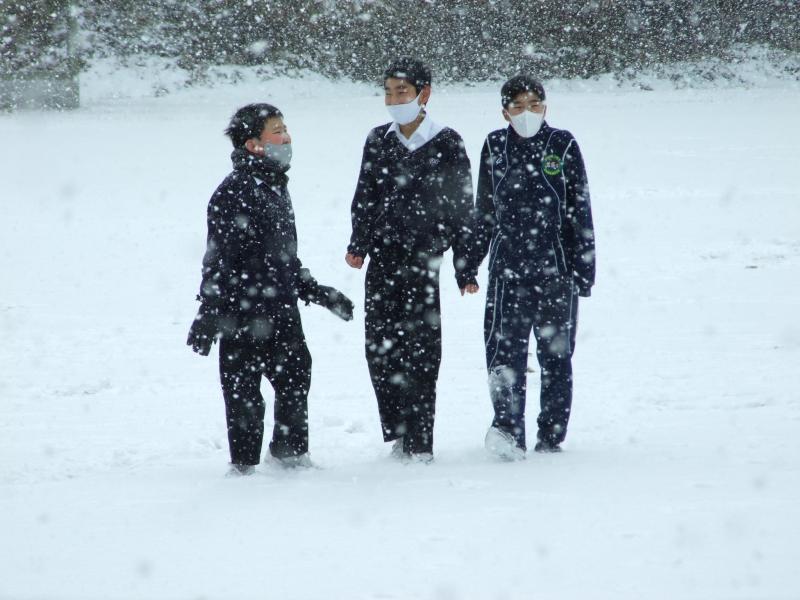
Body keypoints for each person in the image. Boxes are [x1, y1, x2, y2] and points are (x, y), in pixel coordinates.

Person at [187, 103, 354, 475]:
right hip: (242, 312)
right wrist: (210, 310)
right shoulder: (233, 193)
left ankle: (289, 456)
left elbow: (283, 258)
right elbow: (218, 259)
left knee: (295, 376)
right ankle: (243, 468)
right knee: (243, 390)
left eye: (285, 129)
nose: (287, 137)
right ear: (253, 145)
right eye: (277, 131)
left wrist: (317, 292)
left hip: (281, 309)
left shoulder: (276, 186)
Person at [345, 57, 478, 462]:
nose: (393, 99)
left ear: (424, 94)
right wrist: (359, 243)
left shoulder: (446, 141)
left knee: (421, 351)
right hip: (383, 259)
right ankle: (398, 432)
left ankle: (420, 442)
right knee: (380, 349)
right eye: (387, 92)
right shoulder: (378, 139)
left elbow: (462, 207)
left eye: (401, 91)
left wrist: (465, 267)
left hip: (424, 261)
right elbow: (365, 196)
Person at [468, 75, 595, 458]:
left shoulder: (562, 144)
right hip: (507, 271)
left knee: (556, 356)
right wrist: (468, 262)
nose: (527, 112)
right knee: (503, 356)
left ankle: (551, 437)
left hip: (556, 270)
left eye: (534, 105)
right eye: (519, 106)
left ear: (545, 107)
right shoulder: (495, 146)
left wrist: (584, 267)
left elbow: (580, 209)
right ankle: (508, 433)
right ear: (505, 112)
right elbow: (484, 211)